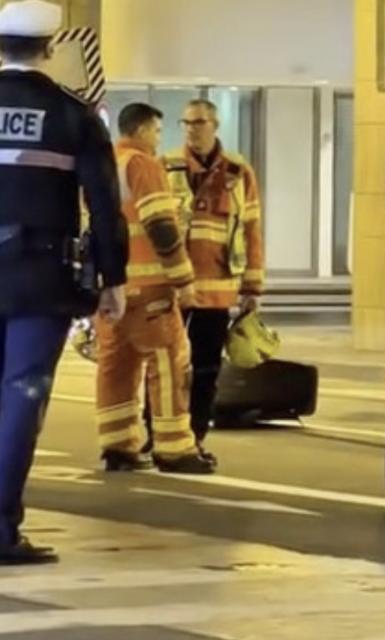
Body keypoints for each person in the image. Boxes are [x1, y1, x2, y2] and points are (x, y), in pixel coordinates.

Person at [0, 0, 129, 564]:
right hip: (40, 279)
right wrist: (113, 280)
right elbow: (104, 205)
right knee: (21, 397)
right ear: (51, 49)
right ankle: (0, 528)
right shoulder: (72, 114)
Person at [95, 103, 214, 475]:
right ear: (145, 130)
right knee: (168, 361)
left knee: (116, 366)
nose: (160, 139)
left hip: (108, 288)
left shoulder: (101, 164)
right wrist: (184, 280)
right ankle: (174, 448)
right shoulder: (141, 164)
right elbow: (161, 226)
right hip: (150, 288)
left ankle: (118, 446)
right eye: (159, 132)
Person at [150, 99, 264, 448]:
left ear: (215, 125)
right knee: (162, 365)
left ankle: (196, 434)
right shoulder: (165, 165)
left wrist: (253, 286)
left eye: (198, 123)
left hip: (217, 286)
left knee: (205, 368)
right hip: (171, 285)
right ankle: (154, 432)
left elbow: (251, 228)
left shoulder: (237, 171)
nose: (191, 130)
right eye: (185, 123)